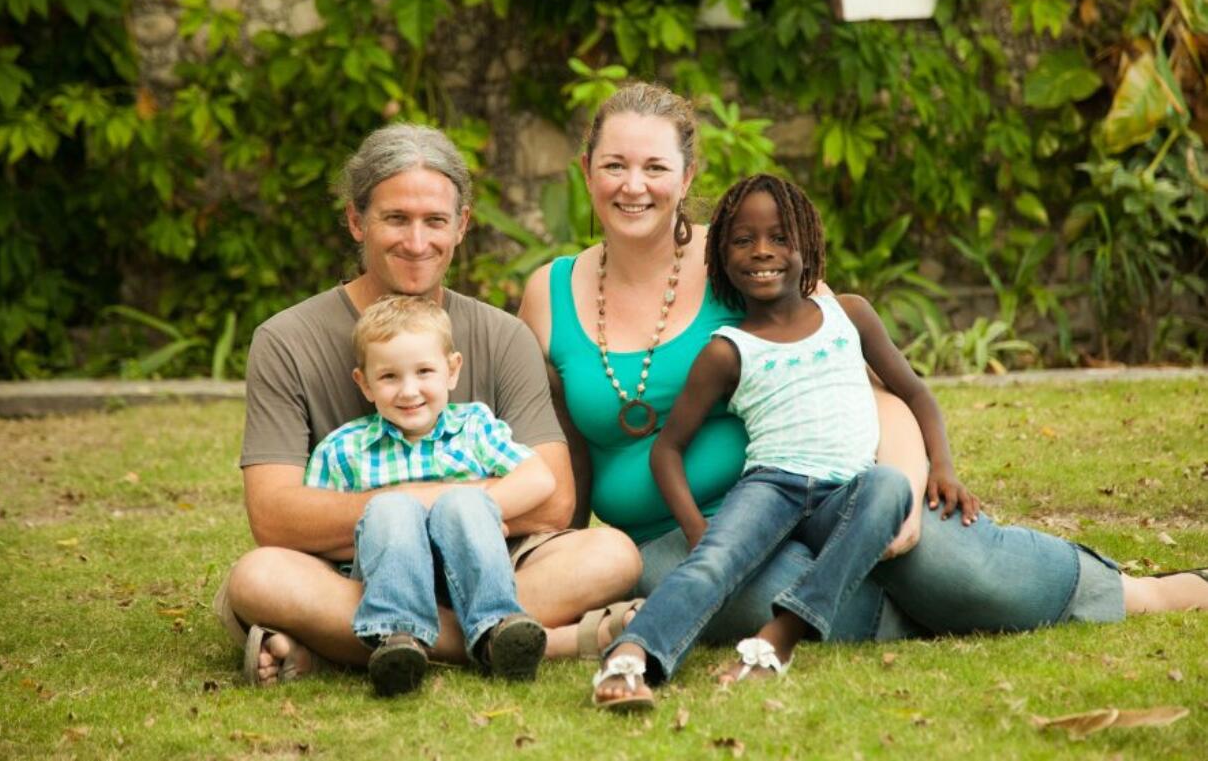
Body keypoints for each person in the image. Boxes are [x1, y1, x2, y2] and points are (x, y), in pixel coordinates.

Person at [516, 82, 1208, 685]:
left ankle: (1143, 593)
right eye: (614, 164)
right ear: (585, 171)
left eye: (653, 166)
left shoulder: (742, 261)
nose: (632, 185)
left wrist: (906, 484)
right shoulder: (548, 293)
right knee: (754, 596)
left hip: (820, 482)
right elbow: (559, 446)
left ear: (688, 174)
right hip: (679, 537)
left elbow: (873, 383)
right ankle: (915, 615)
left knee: (939, 559)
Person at [214, 123, 643, 686]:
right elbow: (276, 518)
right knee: (259, 577)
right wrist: (415, 504)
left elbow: (554, 501)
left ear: (461, 225)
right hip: (362, 573)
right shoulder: (286, 340)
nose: (417, 243)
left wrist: (446, 511)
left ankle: (354, 645)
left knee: (613, 554)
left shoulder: (501, 336)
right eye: (396, 219)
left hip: (498, 562)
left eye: (435, 221)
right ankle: (537, 640)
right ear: (355, 221)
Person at [593, 174, 962, 709]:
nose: (762, 251)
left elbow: (914, 392)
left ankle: (780, 638)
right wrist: (699, 530)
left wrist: (944, 466)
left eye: (779, 238)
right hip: (772, 487)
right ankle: (630, 659)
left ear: (805, 245)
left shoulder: (849, 314)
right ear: (721, 255)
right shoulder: (728, 349)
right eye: (743, 240)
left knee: (889, 486)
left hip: (847, 493)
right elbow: (666, 449)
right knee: (712, 566)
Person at [307, 295, 553, 695]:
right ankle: (399, 641)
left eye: (424, 371)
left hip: (473, 570)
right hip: (386, 577)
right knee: (391, 508)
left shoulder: (473, 427)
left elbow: (539, 477)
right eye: (389, 377)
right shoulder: (342, 449)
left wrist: (483, 508)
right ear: (364, 383)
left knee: (463, 502)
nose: (409, 391)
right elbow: (314, 534)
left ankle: (497, 630)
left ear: (452, 370)